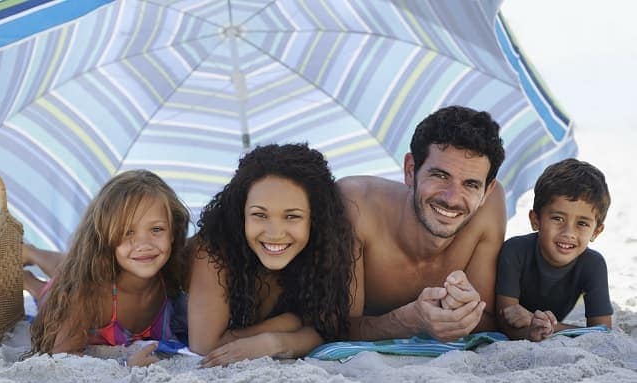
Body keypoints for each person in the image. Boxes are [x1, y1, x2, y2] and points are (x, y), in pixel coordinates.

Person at [338, 105, 507, 342]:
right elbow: (333, 327)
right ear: (410, 170)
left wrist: (466, 312)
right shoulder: (355, 205)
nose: (451, 199)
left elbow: (489, 321)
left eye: (471, 185)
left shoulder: (490, 208)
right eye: (439, 175)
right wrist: (409, 320)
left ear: (487, 190)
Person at [188, 143, 354, 367]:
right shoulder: (214, 252)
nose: (275, 233)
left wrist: (274, 343)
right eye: (259, 215)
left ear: (315, 219)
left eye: (292, 216)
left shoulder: (323, 249)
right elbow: (205, 348)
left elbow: (329, 328)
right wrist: (290, 322)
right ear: (241, 214)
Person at [27, 170, 191, 367]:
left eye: (156, 229)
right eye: (127, 232)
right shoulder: (89, 295)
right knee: (54, 286)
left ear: (173, 231)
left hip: (87, 271)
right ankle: (30, 272)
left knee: (72, 265)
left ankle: (33, 256)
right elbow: (61, 358)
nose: (144, 243)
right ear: (104, 238)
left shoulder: (171, 275)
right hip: (74, 289)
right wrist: (124, 366)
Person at [496, 159, 612, 341]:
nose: (568, 233)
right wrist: (532, 330)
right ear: (536, 220)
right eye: (558, 218)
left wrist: (545, 325)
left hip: (544, 327)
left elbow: (603, 331)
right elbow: (505, 321)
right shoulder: (515, 251)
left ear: (596, 231)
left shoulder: (593, 265)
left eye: (582, 223)